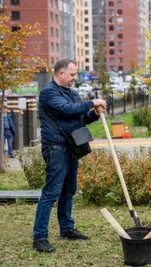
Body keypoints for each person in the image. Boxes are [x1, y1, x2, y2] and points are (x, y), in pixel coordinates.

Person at [32, 58, 107, 253]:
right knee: (51, 193)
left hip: (73, 147)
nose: (74, 78)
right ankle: (39, 238)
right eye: (72, 75)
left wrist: (95, 114)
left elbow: (80, 118)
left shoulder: (73, 94)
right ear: (60, 73)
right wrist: (92, 102)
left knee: (69, 191)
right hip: (56, 148)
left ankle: (66, 229)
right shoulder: (48, 93)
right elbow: (67, 110)